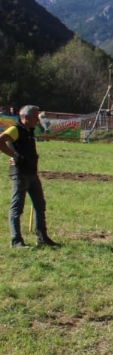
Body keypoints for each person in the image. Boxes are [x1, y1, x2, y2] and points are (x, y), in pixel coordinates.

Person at [1, 105, 58, 248]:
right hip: (20, 174)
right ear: (25, 117)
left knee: (40, 205)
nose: (37, 120)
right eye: (35, 117)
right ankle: (16, 241)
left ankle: (42, 238)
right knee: (17, 208)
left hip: (32, 173)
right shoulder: (15, 130)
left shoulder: (30, 131)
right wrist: (13, 155)